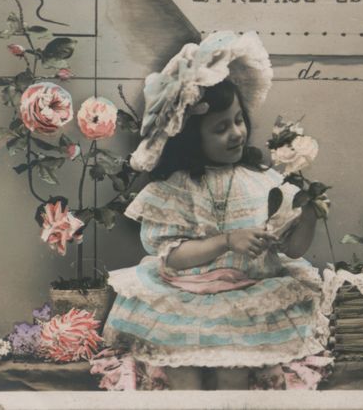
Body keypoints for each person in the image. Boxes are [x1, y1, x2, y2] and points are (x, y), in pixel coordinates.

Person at [102, 31, 329, 390]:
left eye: (239, 120)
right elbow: (172, 257)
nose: (237, 133)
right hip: (185, 299)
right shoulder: (177, 188)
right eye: (221, 128)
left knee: (233, 371)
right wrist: (227, 241)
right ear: (193, 137)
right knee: (181, 372)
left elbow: (293, 249)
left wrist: (310, 214)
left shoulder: (263, 181)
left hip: (247, 298)